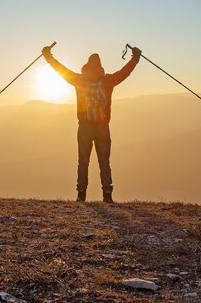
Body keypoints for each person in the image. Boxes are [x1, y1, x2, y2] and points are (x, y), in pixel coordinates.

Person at [42, 44, 141, 203]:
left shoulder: (79, 80)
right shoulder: (108, 80)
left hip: (85, 127)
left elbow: (61, 70)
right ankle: (107, 195)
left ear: (87, 65)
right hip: (102, 127)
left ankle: (81, 195)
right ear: (100, 65)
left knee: (83, 162)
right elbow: (124, 73)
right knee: (104, 163)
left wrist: (48, 57)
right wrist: (135, 59)